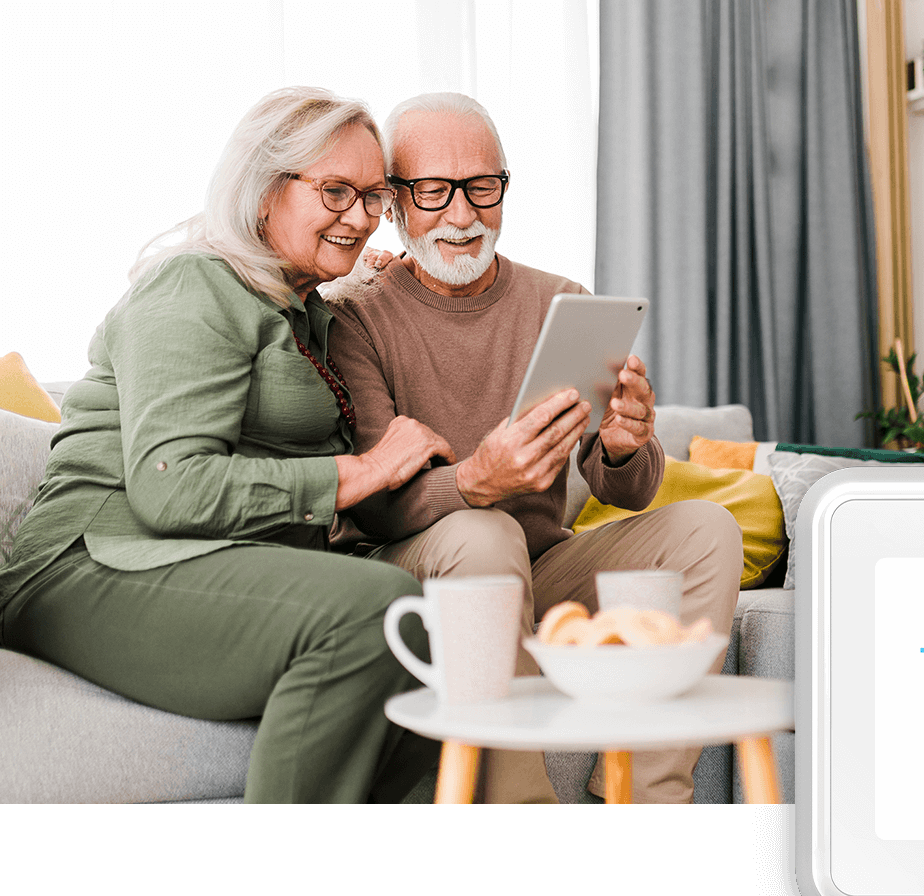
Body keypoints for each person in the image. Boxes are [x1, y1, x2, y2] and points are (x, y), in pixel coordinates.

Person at [0, 87, 462, 804]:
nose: (362, 218)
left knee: (435, 629)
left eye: (375, 197)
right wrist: (360, 471)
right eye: (336, 190)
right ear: (262, 193)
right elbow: (170, 485)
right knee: (377, 608)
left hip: (204, 559)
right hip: (91, 562)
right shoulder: (195, 285)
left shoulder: (302, 309)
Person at [326, 92, 744, 804]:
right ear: (394, 203)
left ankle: (646, 793)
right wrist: (476, 482)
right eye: (433, 191)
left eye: (481, 187)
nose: (462, 216)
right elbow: (375, 505)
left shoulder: (561, 300)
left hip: (539, 563)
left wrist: (622, 447)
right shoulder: (354, 315)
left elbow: (627, 491)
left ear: (503, 188)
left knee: (708, 529)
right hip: (414, 570)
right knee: (485, 533)